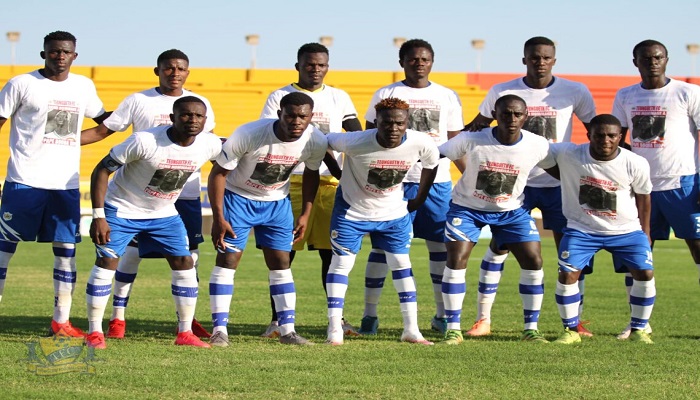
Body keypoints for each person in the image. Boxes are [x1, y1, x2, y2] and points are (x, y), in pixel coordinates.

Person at [462, 36, 597, 338]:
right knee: (499, 248)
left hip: (558, 181)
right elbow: (477, 128)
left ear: (554, 60)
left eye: (546, 57)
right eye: (534, 57)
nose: (540, 62)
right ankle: (483, 319)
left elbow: (597, 130)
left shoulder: (574, 91)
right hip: (513, 182)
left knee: (570, 252)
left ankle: (573, 322)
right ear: (524, 59)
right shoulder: (502, 90)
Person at [81, 49, 216, 340]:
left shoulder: (207, 141)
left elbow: (230, 155)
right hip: (125, 206)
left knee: (187, 260)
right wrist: (98, 215)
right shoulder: (142, 132)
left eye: (198, 116)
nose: (192, 120)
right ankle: (102, 327)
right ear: (172, 117)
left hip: (168, 208)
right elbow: (101, 164)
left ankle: (185, 330)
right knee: (114, 260)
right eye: (168, 68)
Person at [0, 31, 107, 337]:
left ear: (74, 55)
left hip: (65, 185)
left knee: (66, 251)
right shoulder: (22, 84)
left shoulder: (83, 86)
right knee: (3, 250)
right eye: (54, 51)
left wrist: (73, 142)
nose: (60, 56)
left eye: (66, 52)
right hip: (24, 180)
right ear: (43, 53)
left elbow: (103, 126)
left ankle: (61, 322)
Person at [358, 39, 464, 336]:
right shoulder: (387, 93)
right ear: (402, 60)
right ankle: (370, 315)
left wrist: (467, 175)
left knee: (439, 247)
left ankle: (441, 315)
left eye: (425, 58)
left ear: (432, 61)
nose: (420, 63)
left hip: (436, 181)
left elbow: (456, 142)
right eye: (414, 58)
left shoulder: (446, 95)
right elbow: (369, 136)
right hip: (393, 181)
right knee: (381, 247)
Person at [258, 43, 363, 338]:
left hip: (330, 184)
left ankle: (337, 319)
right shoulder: (279, 96)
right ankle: (278, 320)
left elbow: (355, 134)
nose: (315, 69)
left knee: (332, 254)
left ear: (327, 67)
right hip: (290, 181)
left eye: (321, 65)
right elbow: (271, 132)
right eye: (309, 64)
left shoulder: (339, 97)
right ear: (298, 66)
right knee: (284, 253)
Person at [207, 92, 327, 347]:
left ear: (311, 117)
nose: (296, 121)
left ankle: (287, 331)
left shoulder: (315, 140)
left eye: (302, 116)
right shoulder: (250, 133)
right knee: (228, 260)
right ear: (279, 114)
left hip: (277, 203)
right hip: (238, 198)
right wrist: (218, 217)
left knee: (282, 262)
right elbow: (218, 173)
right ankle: (219, 330)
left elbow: (311, 175)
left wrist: (305, 213)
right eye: (290, 115)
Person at [325, 97, 439, 346]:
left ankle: (411, 330)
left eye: (399, 123)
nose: (393, 128)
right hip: (352, 213)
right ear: (376, 122)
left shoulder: (421, 142)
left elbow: (432, 164)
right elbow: (322, 142)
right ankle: (334, 330)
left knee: (402, 265)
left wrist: (420, 198)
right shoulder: (354, 140)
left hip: (393, 215)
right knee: (341, 265)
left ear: (407, 122)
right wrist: (337, 171)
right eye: (387, 123)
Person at [438, 94, 551, 345]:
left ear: (525, 116)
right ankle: (453, 329)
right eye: (505, 113)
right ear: (495, 115)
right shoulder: (472, 139)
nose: (511, 118)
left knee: (534, 259)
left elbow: (559, 168)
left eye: (517, 114)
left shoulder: (538, 144)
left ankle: (531, 329)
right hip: (467, 208)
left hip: (511, 212)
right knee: (456, 259)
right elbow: (433, 156)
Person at [611, 39, 700, 339]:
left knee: (698, 249)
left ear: (667, 59)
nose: (652, 62)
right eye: (646, 58)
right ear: (635, 61)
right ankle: (638, 322)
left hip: (682, 184)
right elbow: (617, 140)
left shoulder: (688, 93)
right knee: (636, 254)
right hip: (639, 188)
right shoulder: (625, 95)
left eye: (658, 56)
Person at [541, 114, 655, 345]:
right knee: (568, 275)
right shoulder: (569, 154)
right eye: (599, 135)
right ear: (589, 135)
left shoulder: (636, 162)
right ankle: (571, 330)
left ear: (620, 137)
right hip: (581, 230)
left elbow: (644, 197)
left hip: (626, 231)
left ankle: (639, 330)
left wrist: (646, 231)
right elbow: (536, 152)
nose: (606, 140)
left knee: (644, 273)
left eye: (612, 135)